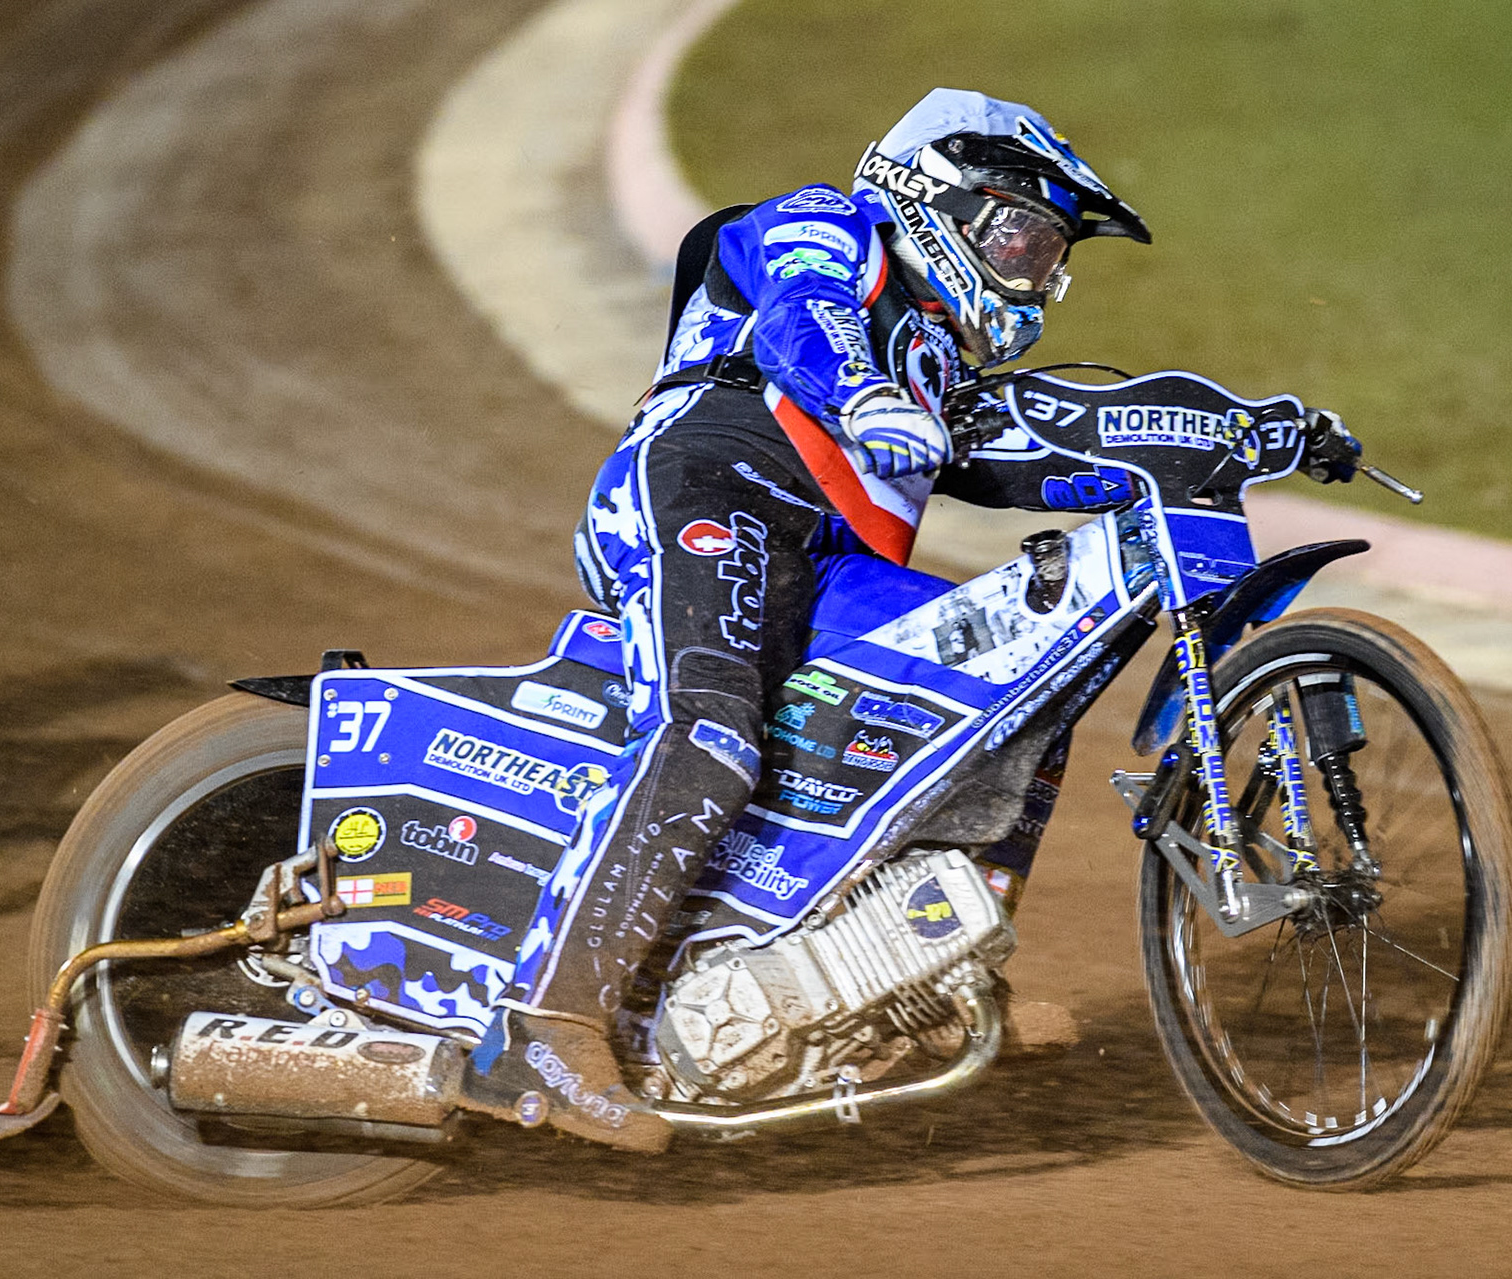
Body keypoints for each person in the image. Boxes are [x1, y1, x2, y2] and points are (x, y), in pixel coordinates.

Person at [457, 88, 1150, 1151]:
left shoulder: (936, 358)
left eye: (1048, 254)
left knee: (1026, 686)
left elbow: (1037, 456)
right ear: (939, 197)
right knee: (711, 734)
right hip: (702, 492)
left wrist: (1236, 438)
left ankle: (927, 972)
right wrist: (861, 392)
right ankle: (542, 1027)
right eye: (1020, 237)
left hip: (827, 568)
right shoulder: (828, 222)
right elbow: (802, 312)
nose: (1034, 273)